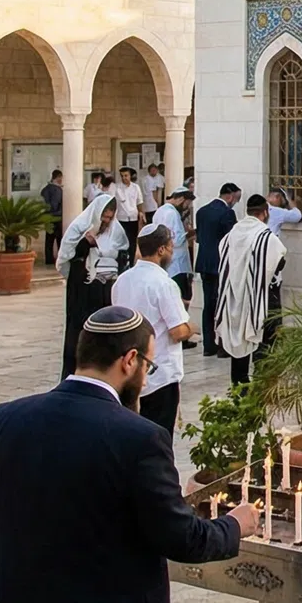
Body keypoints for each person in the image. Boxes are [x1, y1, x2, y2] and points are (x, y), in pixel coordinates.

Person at [0, 306, 257, 603]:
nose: (147, 377)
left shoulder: (3, 420)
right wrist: (234, 524)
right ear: (129, 361)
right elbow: (180, 538)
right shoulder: (139, 438)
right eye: (148, 364)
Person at [110, 225, 193, 436]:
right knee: (158, 437)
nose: (172, 253)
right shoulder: (164, 284)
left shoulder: (122, 281)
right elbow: (178, 332)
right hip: (160, 376)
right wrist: (191, 327)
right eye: (171, 247)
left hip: (128, 373)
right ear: (161, 250)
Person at [217, 195, 287, 385]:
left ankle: (240, 393)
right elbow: (279, 261)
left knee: (239, 349)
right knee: (264, 350)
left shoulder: (232, 235)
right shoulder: (265, 236)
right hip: (263, 299)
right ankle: (261, 392)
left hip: (235, 298)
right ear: (265, 213)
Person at [58, 193, 129, 379]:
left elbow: (123, 253)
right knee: (80, 332)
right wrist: (86, 243)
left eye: (109, 217)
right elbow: (67, 256)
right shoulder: (79, 228)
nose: (106, 221)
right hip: (83, 288)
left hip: (106, 289)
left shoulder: (116, 230)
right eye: (103, 217)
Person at [193, 183, 241, 358]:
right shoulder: (227, 213)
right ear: (229, 196)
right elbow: (232, 240)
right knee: (224, 305)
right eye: (236, 199)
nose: (235, 203)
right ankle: (222, 345)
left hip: (205, 264)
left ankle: (208, 344)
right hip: (221, 264)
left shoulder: (201, 211)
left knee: (209, 305)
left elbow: (199, 238)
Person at [151, 188, 196, 347]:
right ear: (182, 199)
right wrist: (191, 233)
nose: (186, 207)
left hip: (168, 263)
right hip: (177, 263)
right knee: (183, 298)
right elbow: (176, 239)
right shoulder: (172, 213)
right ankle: (182, 334)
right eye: (187, 204)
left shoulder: (160, 211)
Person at [40, 170, 64, 265]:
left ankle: (49, 259)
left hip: (48, 217)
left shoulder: (45, 189)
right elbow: (55, 204)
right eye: (61, 178)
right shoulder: (57, 190)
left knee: (49, 240)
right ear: (58, 177)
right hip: (57, 217)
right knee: (59, 239)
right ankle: (61, 259)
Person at [114, 169, 143, 241]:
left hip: (133, 218)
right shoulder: (117, 188)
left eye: (126, 175)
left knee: (132, 240)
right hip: (121, 218)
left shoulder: (136, 187)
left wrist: (141, 214)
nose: (124, 178)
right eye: (122, 176)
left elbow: (139, 202)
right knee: (121, 240)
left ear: (130, 176)